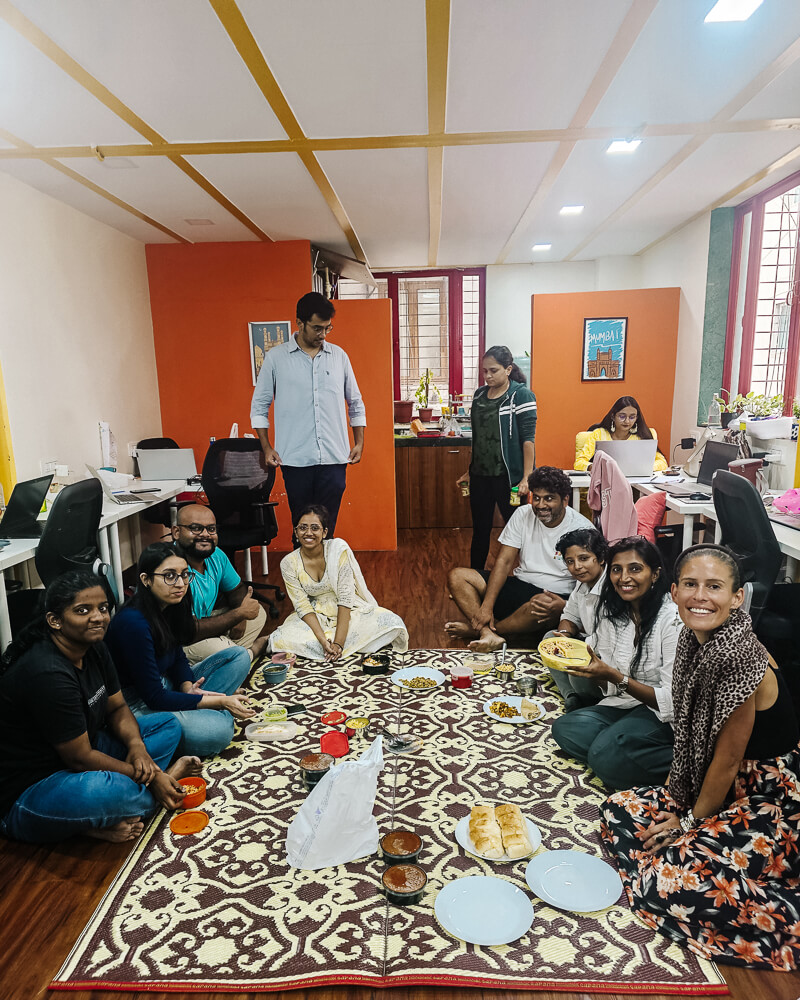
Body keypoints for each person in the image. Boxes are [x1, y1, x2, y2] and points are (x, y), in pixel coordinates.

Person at [600, 545, 800, 971]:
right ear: (673, 591)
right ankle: (680, 852)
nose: (700, 596)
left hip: (765, 798)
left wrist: (687, 822)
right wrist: (680, 807)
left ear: (737, 597)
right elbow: (694, 739)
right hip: (719, 785)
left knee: (665, 886)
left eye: (714, 586)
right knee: (620, 807)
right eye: (690, 584)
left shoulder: (738, 658)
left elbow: (726, 764)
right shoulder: (697, 640)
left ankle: (782, 911)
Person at [0, 571, 199, 844]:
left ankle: (108, 813)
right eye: (83, 610)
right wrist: (152, 776)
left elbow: (117, 708)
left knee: (167, 726)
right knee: (109, 791)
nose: (98, 617)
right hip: (33, 787)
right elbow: (79, 758)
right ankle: (153, 789)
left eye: (103, 608)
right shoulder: (47, 673)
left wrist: (137, 749)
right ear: (55, 621)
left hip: (87, 749)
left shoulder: (93, 646)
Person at [551, 537, 681, 789]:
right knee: (565, 729)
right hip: (623, 704)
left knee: (604, 754)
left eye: (635, 569)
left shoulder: (672, 620)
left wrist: (612, 675)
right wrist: (588, 666)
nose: (624, 578)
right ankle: (619, 751)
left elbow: (672, 702)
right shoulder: (612, 613)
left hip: (659, 713)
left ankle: (687, 766)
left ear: (655, 574)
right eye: (617, 569)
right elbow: (607, 682)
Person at [105, 543, 254, 758]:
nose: (180, 583)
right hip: (137, 704)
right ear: (146, 580)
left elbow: (177, 656)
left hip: (169, 686)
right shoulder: (133, 623)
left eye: (184, 575)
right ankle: (201, 715)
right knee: (220, 731)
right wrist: (220, 701)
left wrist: (187, 687)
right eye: (169, 576)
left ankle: (200, 708)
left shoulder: (173, 605)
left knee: (238, 655)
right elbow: (155, 698)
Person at [250, 291, 366, 536]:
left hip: (334, 459)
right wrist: (266, 447)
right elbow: (259, 406)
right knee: (302, 530)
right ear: (300, 323)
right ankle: (301, 575)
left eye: (327, 328)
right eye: (316, 328)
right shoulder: (276, 359)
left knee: (327, 530)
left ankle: (326, 575)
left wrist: (359, 442)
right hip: (295, 461)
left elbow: (355, 402)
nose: (322, 335)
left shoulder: (339, 357)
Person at [445, 467, 593, 652]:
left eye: (549, 498)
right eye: (536, 497)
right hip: (522, 584)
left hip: (554, 597)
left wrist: (567, 606)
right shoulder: (523, 514)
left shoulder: (582, 529)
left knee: (541, 603)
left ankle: (484, 632)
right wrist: (486, 607)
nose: (540, 505)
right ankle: (487, 633)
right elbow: (504, 562)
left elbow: (591, 582)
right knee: (458, 576)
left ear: (565, 500)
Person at [270, 504, 408, 661]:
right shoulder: (288, 563)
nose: (308, 533)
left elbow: (345, 598)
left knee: (391, 622)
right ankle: (335, 648)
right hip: (317, 616)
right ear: (296, 532)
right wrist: (323, 640)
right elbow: (302, 605)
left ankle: (332, 650)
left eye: (315, 528)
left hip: (349, 612)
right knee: (282, 637)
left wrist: (339, 643)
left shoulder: (338, 550)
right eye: (303, 528)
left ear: (324, 532)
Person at [455, 346, 537, 571]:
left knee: (517, 531)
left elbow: (528, 440)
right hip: (481, 476)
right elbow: (478, 439)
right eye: (484, 371)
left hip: (509, 479)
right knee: (480, 529)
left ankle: (525, 577)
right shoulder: (480, 395)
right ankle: (475, 578)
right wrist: (469, 471)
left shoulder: (521, 395)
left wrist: (526, 478)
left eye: (494, 370)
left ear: (508, 369)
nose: (488, 376)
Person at [172, 503, 269, 665]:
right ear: (176, 532)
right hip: (177, 639)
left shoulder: (217, 555)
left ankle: (226, 658)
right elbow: (186, 630)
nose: (205, 535)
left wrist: (241, 617)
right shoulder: (170, 565)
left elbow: (237, 590)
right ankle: (247, 654)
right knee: (226, 649)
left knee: (257, 613)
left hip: (201, 626)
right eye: (196, 528)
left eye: (211, 529)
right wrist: (238, 614)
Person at [546, 528, 608, 712]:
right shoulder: (582, 583)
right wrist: (563, 636)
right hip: (589, 645)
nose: (577, 567)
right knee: (551, 639)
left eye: (584, 558)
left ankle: (591, 702)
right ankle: (571, 696)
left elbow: (607, 643)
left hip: (608, 659)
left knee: (577, 673)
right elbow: (570, 616)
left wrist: (573, 653)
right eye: (570, 561)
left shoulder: (612, 588)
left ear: (601, 558)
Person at [574, 395, 668, 472]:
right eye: (622, 416)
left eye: (632, 417)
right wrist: (593, 467)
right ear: (613, 416)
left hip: (635, 485)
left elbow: (662, 462)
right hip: (605, 484)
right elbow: (579, 462)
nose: (627, 421)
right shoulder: (599, 434)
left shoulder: (642, 436)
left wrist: (644, 469)